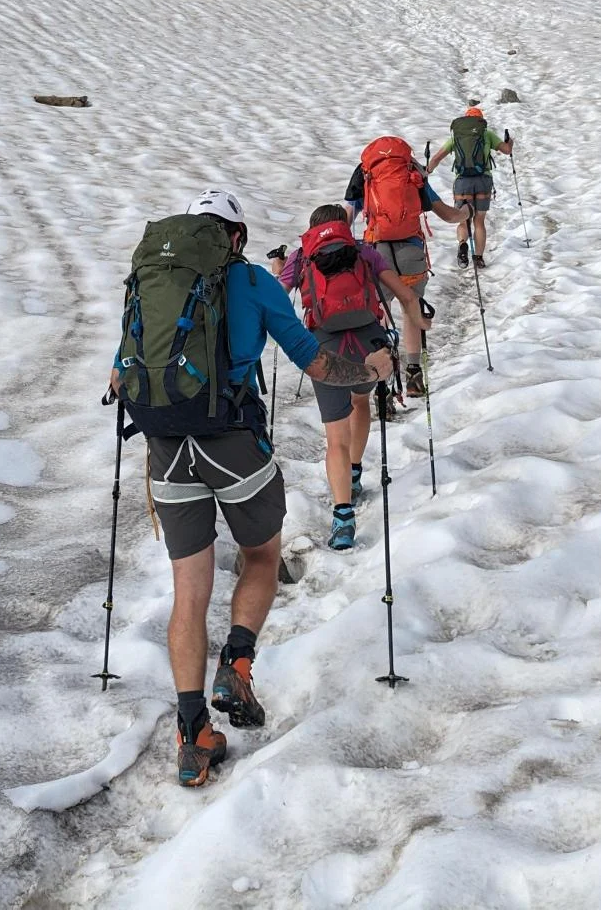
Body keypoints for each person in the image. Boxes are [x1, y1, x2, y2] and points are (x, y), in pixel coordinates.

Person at [114, 189, 392, 787]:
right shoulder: (254, 284)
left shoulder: (151, 283)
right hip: (233, 442)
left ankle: (193, 738)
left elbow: (120, 372)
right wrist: (369, 371)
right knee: (262, 555)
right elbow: (315, 364)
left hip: (166, 451)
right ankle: (237, 662)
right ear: (235, 238)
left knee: (189, 592)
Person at [272, 205, 429, 550]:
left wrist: (279, 272)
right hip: (368, 342)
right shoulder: (363, 252)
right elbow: (404, 296)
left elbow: (275, 299)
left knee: (335, 436)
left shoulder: (302, 257)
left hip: (324, 347)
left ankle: (343, 516)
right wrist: (419, 323)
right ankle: (356, 472)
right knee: (360, 401)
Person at [342, 136, 470, 398]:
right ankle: (413, 374)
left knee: (380, 312)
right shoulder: (411, 169)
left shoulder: (366, 172)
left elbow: (346, 216)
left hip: (377, 251)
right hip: (411, 249)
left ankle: (383, 384)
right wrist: (465, 214)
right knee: (411, 306)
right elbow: (446, 214)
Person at [426, 104, 514, 269]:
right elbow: (507, 150)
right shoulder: (486, 134)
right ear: (480, 120)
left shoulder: (457, 137)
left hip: (462, 182)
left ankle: (462, 244)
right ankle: (478, 258)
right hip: (483, 180)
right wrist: (510, 142)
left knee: (463, 219)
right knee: (479, 221)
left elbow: (437, 157)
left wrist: (427, 171)